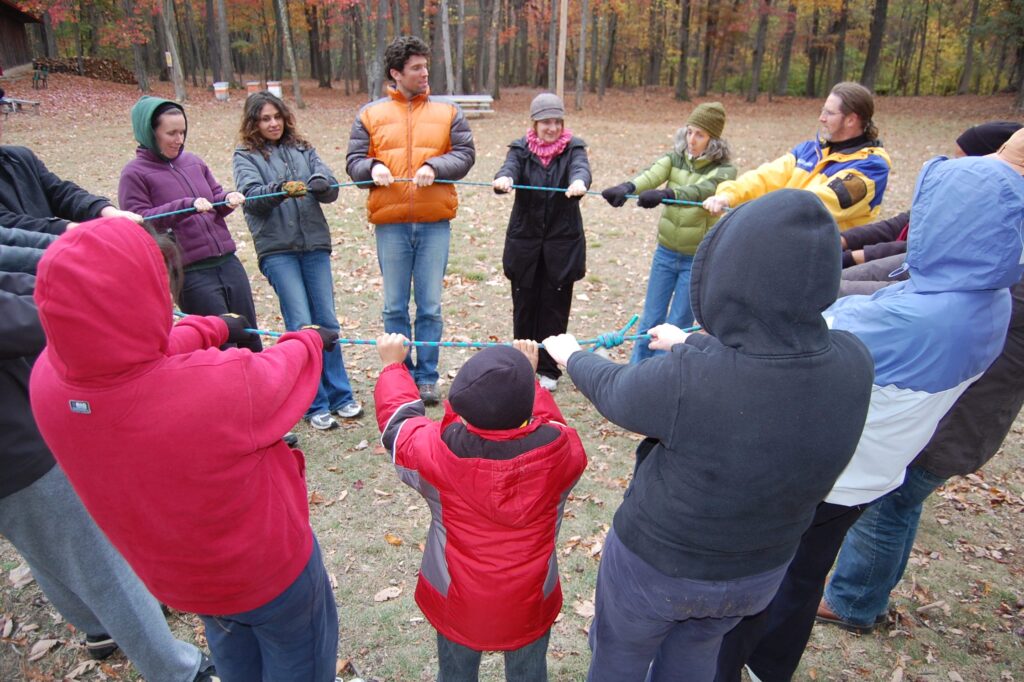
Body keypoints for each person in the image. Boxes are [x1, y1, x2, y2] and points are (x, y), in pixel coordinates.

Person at [543, 189, 875, 682]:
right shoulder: (854, 361)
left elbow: (617, 391)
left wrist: (570, 355)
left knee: (620, 657)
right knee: (698, 652)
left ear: (730, 277)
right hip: (759, 570)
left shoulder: (688, 381)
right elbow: (764, 371)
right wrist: (692, 342)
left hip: (658, 566)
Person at [715, 155, 1024, 682]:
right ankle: (769, 667)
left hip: (825, 470)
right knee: (804, 576)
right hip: (872, 468)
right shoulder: (984, 296)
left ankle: (723, 666)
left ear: (949, 222)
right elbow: (887, 282)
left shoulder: (913, 321)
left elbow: (799, 338)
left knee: (756, 580)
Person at [29, 218, 340, 682]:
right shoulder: (218, 387)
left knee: (233, 646)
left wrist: (209, 327)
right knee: (300, 660)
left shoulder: (47, 381)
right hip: (266, 570)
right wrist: (310, 339)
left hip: (179, 575)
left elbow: (128, 356)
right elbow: (280, 371)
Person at [814, 126, 1024, 635]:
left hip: (952, 419)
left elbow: (881, 308)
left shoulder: (987, 278)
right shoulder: (988, 258)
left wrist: (803, 291)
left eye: (1004, 159)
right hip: (954, 412)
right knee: (900, 502)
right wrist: (833, 266)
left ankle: (854, 601)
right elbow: (901, 267)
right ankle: (868, 593)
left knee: (891, 503)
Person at [1, 261, 216, 682]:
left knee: (44, 544)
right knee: (98, 562)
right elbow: (23, 322)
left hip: (21, 427)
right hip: (15, 447)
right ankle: (178, 671)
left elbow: (8, 258)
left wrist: (58, 281)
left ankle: (98, 628)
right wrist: (78, 301)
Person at [374, 336, 587, 681]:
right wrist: (529, 382)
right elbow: (552, 425)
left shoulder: (435, 452)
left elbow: (398, 429)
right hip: (529, 601)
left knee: (456, 675)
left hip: (458, 603)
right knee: (530, 673)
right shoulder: (564, 453)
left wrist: (393, 368)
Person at [346, 35, 475, 406]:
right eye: (416, 67)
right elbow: (354, 161)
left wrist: (436, 165)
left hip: (435, 222)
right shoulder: (370, 114)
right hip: (391, 224)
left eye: (425, 66)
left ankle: (428, 376)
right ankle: (399, 373)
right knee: (394, 306)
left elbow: (465, 155)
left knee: (430, 305)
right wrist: (373, 166)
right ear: (396, 73)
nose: (424, 73)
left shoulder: (447, 111)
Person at [233, 91, 362, 431]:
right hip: (278, 249)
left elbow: (329, 184)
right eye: (265, 118)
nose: (272, 123)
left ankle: (340, 395)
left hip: (314, 244)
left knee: (326, 321)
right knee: (302, 324)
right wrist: (279, 189)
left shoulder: (302, 148)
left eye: (276, 116)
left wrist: (320, 184)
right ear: (254, 123)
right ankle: (311, 402)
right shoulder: (245, 156)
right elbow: (251, 197)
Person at [118, 96, 261, 352]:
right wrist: (184, 206)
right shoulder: (134, 174)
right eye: (171, 133)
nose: (179, 139)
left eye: (182, 132)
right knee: (221, 346)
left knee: (250, 337)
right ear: (150, 133)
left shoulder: (194, 162)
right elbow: (140, 222)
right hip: (191, 274)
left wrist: (226, 199)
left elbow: (213, 198)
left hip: (228, 263)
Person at [600, 102, 736, 362]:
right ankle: (636, 375)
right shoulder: (675, 158)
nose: (692, 140)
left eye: (700, 135)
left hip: (695, 260)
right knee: (650, 320)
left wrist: (667, 195)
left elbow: (701, 191)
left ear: (714, 139)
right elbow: (652, 175)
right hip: (665, 254)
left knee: (677, 327)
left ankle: (665, 380)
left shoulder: (725, 171)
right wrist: (628, 187)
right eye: (689, 132)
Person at [492, 92, 591, 391]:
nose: (552, 128)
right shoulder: (520, 148)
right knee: (524, 307)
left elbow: (581, 169)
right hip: (525, 244)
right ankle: (523, 365)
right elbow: (508, 168)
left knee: (555, 307)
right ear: (534, 123)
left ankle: (549, 369)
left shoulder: (574, 148)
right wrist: (504, 179)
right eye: (546, 122)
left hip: (562, 245)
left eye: (557, 121)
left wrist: (579, 182)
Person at [703, 81, 890, 230]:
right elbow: (767, 176)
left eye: (829, 113)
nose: (821, 118)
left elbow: (815, 204)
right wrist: (728, 196)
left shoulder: (870, 169)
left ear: (851, 120)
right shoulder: (810, 150)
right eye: (822, 110)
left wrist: (755, 212)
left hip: (824, 262)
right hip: (787, 246)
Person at [839, 120, 1021, 268]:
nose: (952, 167)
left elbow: (926, 250)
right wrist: (842, 240)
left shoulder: (990, 218)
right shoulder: (954, 198)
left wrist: (851, 258)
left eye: (961, 161)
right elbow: (902, 224)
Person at [0, 88, 141, 233]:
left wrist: (105, 210)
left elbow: (60, 192)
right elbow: (7, 226)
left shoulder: (21, 157)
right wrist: (75, 230)